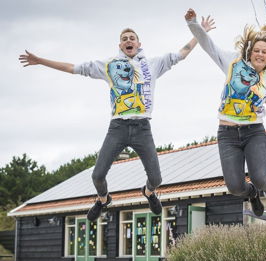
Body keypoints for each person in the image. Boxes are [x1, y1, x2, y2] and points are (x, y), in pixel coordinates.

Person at [19, 17, 215, 220]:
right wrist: (41, 61)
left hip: (142, 128)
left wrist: (200, 32)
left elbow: (182, 52)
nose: (128, 41)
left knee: (156, 178)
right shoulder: (109, 65)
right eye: (124, 39)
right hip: (118, 127)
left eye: (132, 38)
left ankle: (148, 192)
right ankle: (103, 199)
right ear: (120, 45)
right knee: (97, 175)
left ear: (139, 44)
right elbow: (73, 68)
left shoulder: (152, 64)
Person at [185, 8, 266, 217]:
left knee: (260, 178)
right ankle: (253, 195)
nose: (260, 54)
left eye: (265, 52)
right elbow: (209, 46)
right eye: (257, 50)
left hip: (253, 132)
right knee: (235, 187)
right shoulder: (233, 63)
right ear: (249, 51)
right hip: (227, 134)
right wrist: (193, 25)